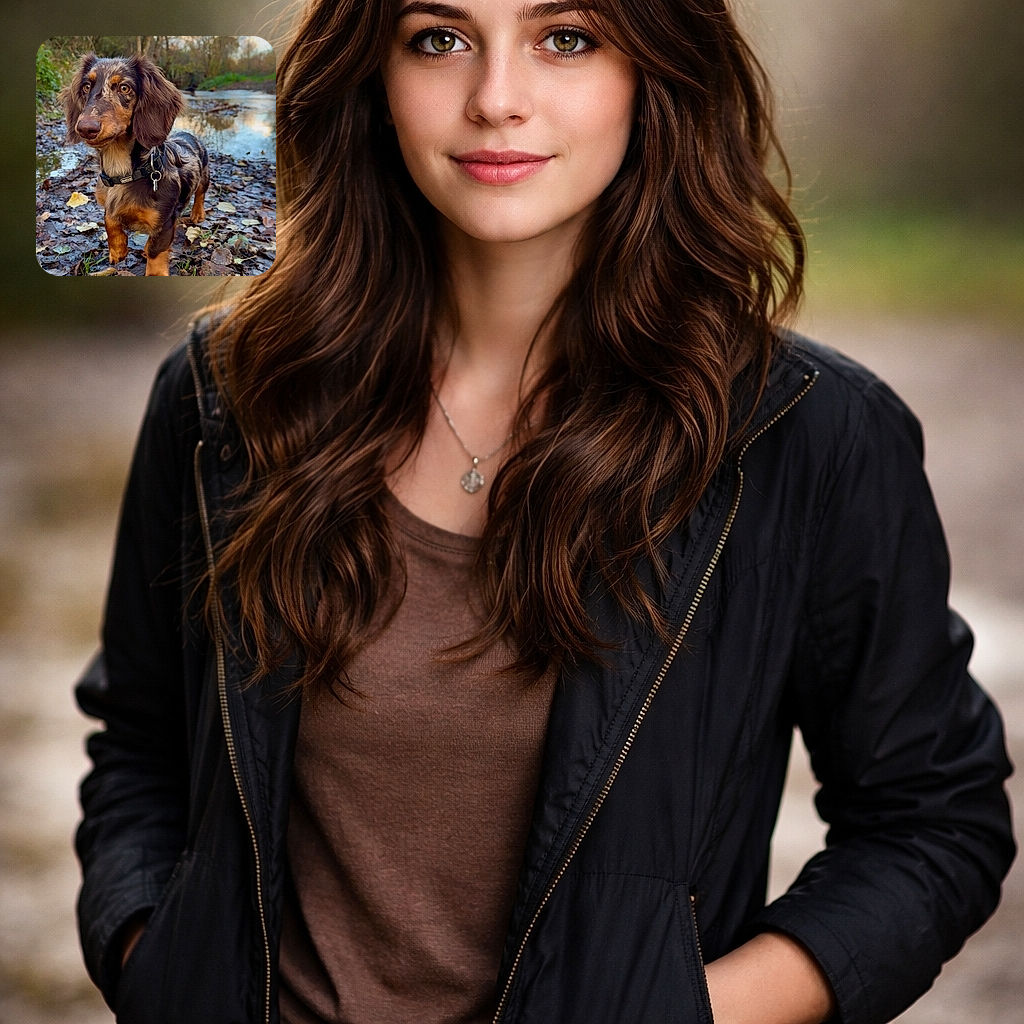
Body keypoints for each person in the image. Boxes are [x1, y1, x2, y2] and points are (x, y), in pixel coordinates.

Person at [73, 0, 1015, 1022]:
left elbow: (933, 822)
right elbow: (138, 745)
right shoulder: (225, 396)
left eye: (566, 38)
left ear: (653, 73)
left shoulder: (810, 436)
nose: (496, 100)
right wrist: (152, 958)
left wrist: (686, 1011)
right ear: (372, 80)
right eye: (438, 39)